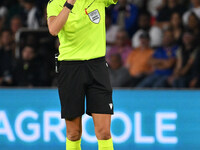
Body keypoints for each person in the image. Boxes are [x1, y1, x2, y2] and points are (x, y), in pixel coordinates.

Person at [47, 0, 117, 150]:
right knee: (73, 133)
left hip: (97, 66)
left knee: (104, 132)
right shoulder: (55, 4)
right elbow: (53, 29)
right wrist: (69, 3)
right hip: (70, 68)